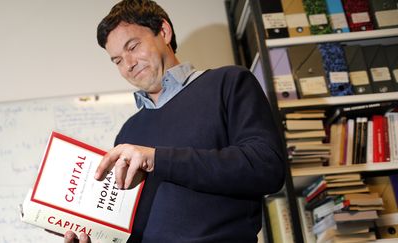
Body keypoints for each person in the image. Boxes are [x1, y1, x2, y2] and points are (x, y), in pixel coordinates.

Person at [64, 0, 286, 242]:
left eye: (133, 46)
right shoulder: (128, 133)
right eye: (117, 60)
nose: (128, 64)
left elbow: (267, 167)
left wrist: (156, 159)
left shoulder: (229, 83)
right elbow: (131, 229)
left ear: (164, 31)